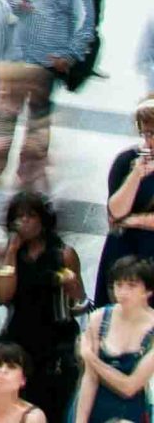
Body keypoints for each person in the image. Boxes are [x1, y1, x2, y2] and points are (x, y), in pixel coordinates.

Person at [5, 0, 94, 189]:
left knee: (38, 117)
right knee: (7, 113)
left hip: (47, 61)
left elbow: (87, 20)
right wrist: (17, 4)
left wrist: (70, 54)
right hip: (20, 55)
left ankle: (28, 170)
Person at [0, 192, 86, 423]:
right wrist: (11, 252)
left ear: (43, 220)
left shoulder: (63, 255)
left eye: (31, 216)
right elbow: (2, 295)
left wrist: (71, 286)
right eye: (18, 217)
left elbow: (79, 301)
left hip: (56, 345)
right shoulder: (0, 253)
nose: (24, 222)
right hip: (18, 338)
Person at [74, 258, 154, 423]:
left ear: (148, 291)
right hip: (97, 406)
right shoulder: (99, 318)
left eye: (131, 286)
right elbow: (90, 378)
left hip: (133, 413)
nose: (123, 292)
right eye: (118, 285)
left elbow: (129, 387)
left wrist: (91, 358)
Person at [95, 101, 154, 305]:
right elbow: (116, 213)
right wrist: (136, 174)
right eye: (145, 134)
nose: (149, 141)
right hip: (125, 249)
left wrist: (136, 220)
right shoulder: (126, 160)